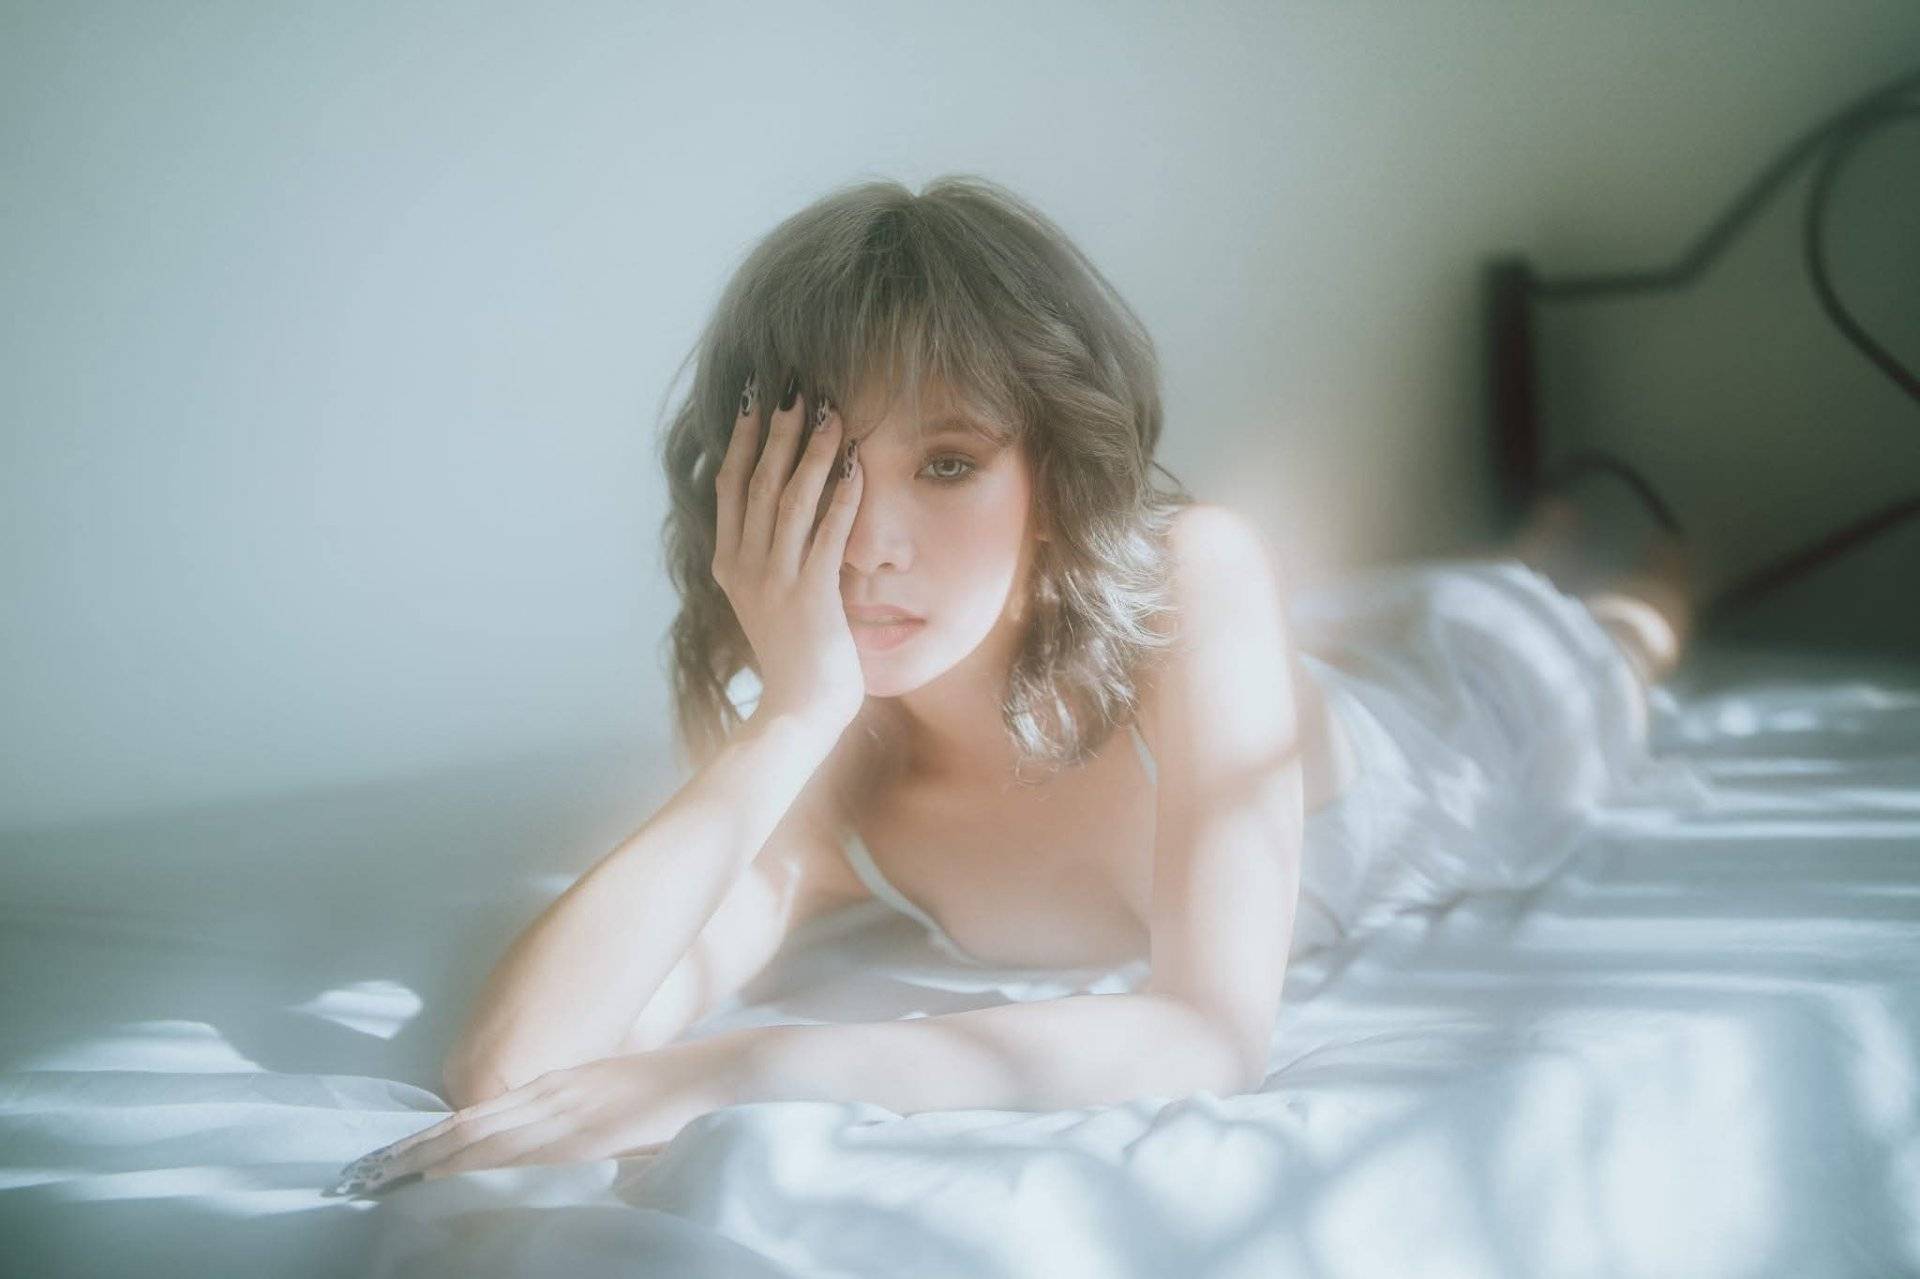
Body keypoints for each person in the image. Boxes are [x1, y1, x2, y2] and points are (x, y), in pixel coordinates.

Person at [325, 176, 1696, 1197]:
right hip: (1252, 655)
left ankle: (1633, 575)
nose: (871, 543)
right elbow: (511, 1071)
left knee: (1618, 631)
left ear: (1057, 477)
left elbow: (1212, 1035)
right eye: (826, 471)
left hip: (1470, 725)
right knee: (1419, 600)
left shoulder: (1198, 570)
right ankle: (1540, 548)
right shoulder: (830, 799)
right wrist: (792, 716)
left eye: (947, 464)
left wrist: (741, 1064)